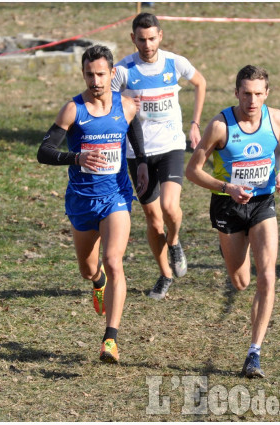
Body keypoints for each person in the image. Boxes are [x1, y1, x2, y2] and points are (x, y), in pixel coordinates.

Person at [37, 45, 149, 364]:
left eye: (101, 74)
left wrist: (140, 164)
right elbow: (44, 151)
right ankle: (97, 282)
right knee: (90, 269)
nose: (95, 80)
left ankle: (110, 340)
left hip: (116, 196)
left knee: (114, 261)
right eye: (89, 74)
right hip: (82, 200)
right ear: (83, 74)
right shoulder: (73, 110)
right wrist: (76, 157)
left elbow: (134, 134)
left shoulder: (126, 106)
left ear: (112, 74)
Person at [185, 65, 280, 378]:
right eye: (246, 93)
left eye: (258, 94)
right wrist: (226, 187)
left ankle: (254, 354)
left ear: (267, 94)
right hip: (227, 207)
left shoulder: (277, 119)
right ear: (236, 93)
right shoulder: (219, 126)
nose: (252, 100)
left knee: (267, 276)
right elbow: (193, 171)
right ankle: (231, 252)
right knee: (240, 282)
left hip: (262, 204)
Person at [111, 12, 207, 299]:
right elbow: (110, 104)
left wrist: (194, 123)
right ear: (133, 39)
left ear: (160, 36)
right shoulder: (123, 70)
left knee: (169, 207)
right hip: (137, 153)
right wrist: (127, 103)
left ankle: (175, 240)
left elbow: (201, 83)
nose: (147, 44)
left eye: (152, 38)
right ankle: (165, 273)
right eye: (141, 39)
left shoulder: (174, 62)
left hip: (171, 146)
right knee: (153, 220)